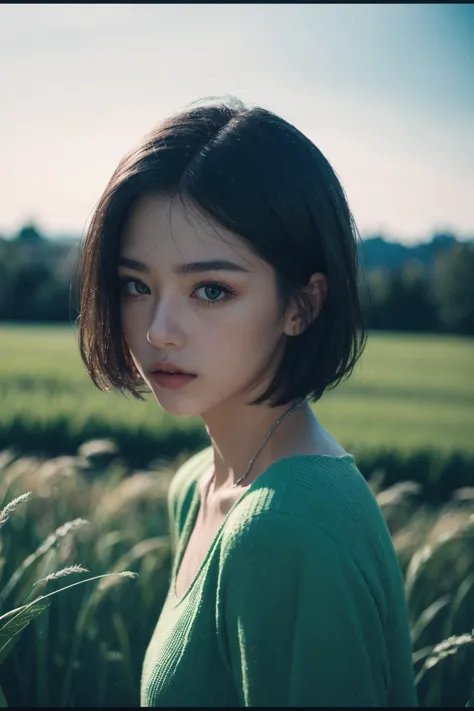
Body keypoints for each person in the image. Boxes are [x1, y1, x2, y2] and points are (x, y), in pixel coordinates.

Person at [78, 96, 418, 707]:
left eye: (211, 289)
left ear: (302, 305)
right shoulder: (199, 487)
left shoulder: (287, 529)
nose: (159, 330)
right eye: (137, 285)